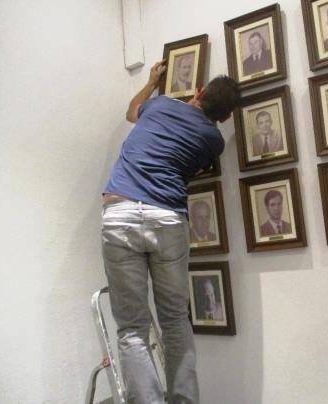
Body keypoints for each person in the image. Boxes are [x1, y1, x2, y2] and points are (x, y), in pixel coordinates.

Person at [101, 60, 240, 404]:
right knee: (175, 321)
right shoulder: (213, 140)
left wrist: (150, 83)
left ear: (199, 92)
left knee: (133, 328)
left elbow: (132, 111)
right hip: (167, 219)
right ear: (224, 118)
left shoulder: (161, 104)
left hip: (120, 214)